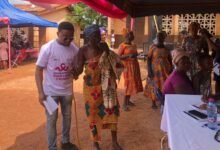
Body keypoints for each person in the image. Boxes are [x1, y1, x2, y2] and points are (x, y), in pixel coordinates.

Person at [74, 24, 123, 150]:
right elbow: (78, 70)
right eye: (93, 36)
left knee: (112, 113)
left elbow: (114, 62)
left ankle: (114, 142)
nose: (96, 39)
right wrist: (74, 70)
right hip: (91, 90)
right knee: (93, 115)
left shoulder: (104, 47)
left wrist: (107, 51)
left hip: (107, 87)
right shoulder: (83, 50)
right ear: (87, 37)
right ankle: (95, 143)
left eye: (98, 36)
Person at [35, 22, 78, 150]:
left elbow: (77, 69)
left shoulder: (74, 49)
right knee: (51, 120)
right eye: (65, 37)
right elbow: (38, 70)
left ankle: (65, 142)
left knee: (67, 118)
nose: (68, 40)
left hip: (67, 92)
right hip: (49, 93)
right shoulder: (47, 48)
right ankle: (52, 147)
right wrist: (40, 93)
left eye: (71, 37)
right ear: (58, 33)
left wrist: (76, 72)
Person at [146, 31, 172, 109]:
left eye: (161, 36)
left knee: (164, 85)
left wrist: (171, 69)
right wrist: (149, 70)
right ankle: (153, 102)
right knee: (154, 85)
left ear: (164, 38)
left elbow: (169, 59)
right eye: (158, 36)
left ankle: (162, 101)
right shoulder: (153, 47)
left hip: (164, 71)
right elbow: (148, 59)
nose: (159, 38)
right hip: (154, 70)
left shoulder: (167, 48)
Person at [118, 31, 143, 111]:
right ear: (126, 36)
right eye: (130, 35)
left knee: (133, 83)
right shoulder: (122, 45)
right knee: (128, 84)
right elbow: (118, 57)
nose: (132, 36)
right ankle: (124, 104)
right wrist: (128, 56)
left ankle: (128, 101)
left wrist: (137, 55)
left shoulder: (133, 45)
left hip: (134, 66)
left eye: (132, 35)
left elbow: (135, 54)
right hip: (127, 68)